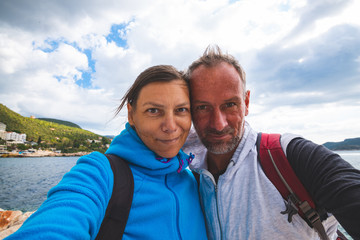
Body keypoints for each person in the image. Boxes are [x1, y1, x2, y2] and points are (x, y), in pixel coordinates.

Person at [5, 65, 208, 240]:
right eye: (153, 111)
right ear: (131, 114)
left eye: (181, 109)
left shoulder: (195, 179)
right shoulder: (101, 172)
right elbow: (57, 221)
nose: (170, 126)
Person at [183, 45, 360, 240]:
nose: (218, 123)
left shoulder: (290, 157)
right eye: (202, 107)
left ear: (247, 103)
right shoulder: (182, 169)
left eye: (230, 105)